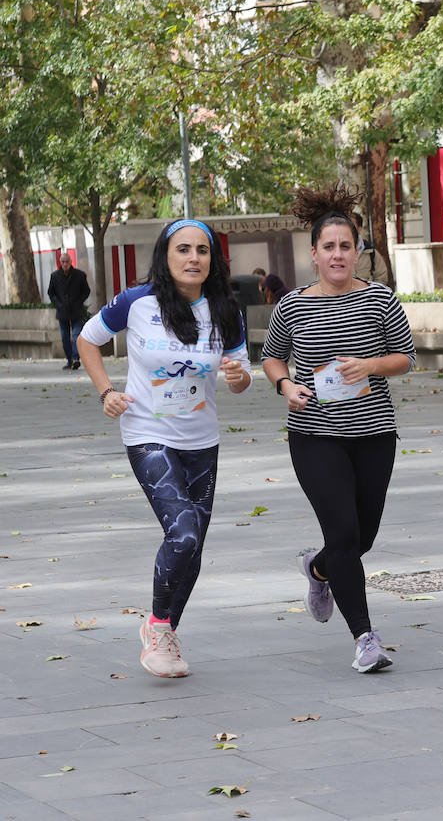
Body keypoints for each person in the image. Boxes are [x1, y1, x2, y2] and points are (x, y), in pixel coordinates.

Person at [75, 220, 252, 678]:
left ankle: (165, 631)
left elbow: (241, 372)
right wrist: (104, 392)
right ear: (166, 255)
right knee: (185, 533)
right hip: (146, 432)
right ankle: (157, 627)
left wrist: (238, 378)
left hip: (201, 441)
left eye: (202, 250)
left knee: (192, 546)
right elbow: (87, 340)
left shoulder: (227, 309)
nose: (193, 258)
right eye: (183, 250)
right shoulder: (137, 302)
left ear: (213, 258)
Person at [262, 184, 415, 674]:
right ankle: (365, 638)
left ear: (357, 251)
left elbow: (406, 358)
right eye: (328, 246)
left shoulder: (380, 300)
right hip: (314, 435)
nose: (337, 254)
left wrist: (369, 365)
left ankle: (320, 566)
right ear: (314, 254)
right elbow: (270, 358)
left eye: (345, 246)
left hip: (374, 434)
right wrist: (285, 385)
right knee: (344, 530)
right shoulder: (291, 306)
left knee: (361, 536)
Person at [48, 251, 91, 370]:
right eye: (63, 262)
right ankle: (69, 360)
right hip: (62, 312)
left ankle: (76, 358)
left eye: (67, 261)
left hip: (76, 311)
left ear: (71, 262)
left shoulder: (80, 275)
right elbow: (51, 293)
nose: (65, 264)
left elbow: (86, 291)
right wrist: (57, 303)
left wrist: (79, 302)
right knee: (64, 337)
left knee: (76, 335)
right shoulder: (55, 276)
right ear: (60, 262)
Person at [352, 211, 390, 286]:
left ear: (359, 228)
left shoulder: (371, 252)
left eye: (352, 225)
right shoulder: (335, 253)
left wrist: (370, 293)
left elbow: (382, 277)